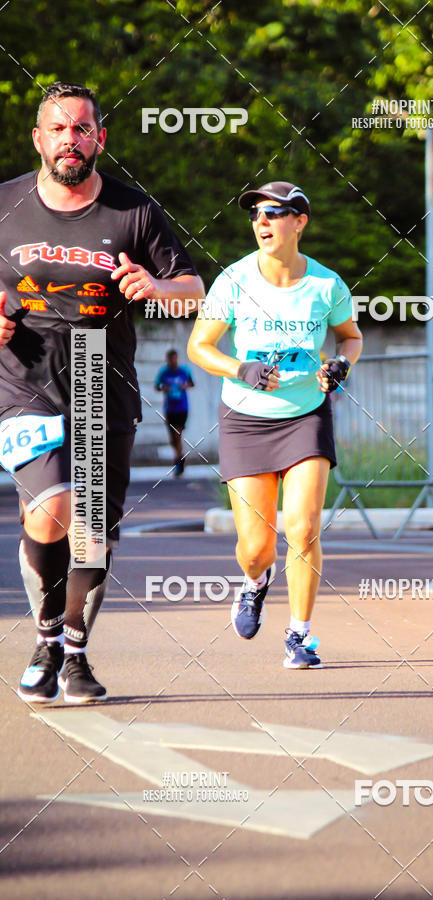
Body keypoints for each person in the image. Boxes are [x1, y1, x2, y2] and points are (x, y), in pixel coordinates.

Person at [0, 81, 204, 703]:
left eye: (82, 128)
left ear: (99, 139)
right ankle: (44, 637)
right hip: (22, 374)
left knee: (93, 531)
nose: (71, 139)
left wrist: (157, 286)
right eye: (59, 129)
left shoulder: (133, 211)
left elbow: (195, 286)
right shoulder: (4, 204)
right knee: (51, 509)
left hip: (100, 376)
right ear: (38, 138)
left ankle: (76, 656)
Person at [188, 181, 362, 669]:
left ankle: (300, 635)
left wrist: (340, 365)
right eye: (255, 216)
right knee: (257, 548)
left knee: (304, 528)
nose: (261, 222)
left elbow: (350, 337)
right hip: (245, 420)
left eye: (273, 213)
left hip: (306, 415)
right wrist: (238, 368)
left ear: (299, 222)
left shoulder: (327, 285)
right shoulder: (234, 280)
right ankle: (254, 581)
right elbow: (199, 346)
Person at [155, 349, 194, 476]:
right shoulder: (164, 372)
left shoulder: (184, 370)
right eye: (171, 359)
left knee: (178, 434)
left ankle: (178, 463)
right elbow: (157, 386)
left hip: (182, 408)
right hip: (169, 408)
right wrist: (163, 388)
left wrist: (185, 386)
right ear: (167, 360)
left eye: (175, 358)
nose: (173, 361)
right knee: (172, 439)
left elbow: (191, 383)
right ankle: (180, 457)